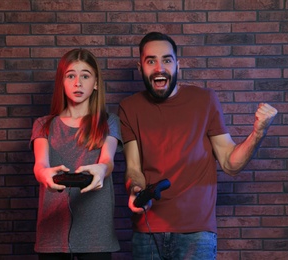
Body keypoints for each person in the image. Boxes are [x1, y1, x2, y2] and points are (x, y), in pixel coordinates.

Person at [118, 32, 278, 259]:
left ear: (177, 65)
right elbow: (133, 167)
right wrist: (135, 189)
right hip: (148, 231)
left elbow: (230, 163)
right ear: (140, 67)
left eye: (167, 60)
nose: (159, 67)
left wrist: (258, 133)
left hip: (197, 233)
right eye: (150, 60)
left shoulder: (205, 100)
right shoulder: (129, 107)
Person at [30, 48, 122, 260]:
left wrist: (101, 170)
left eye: (85, 76)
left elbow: (108, 161)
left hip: (96, 234)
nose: (77, 83)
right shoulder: (43, 124)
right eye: (71, 75)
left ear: (96, 83)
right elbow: (40, 165)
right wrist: (45, 175)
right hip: (53, 234)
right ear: (62, 82)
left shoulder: (109, 121)